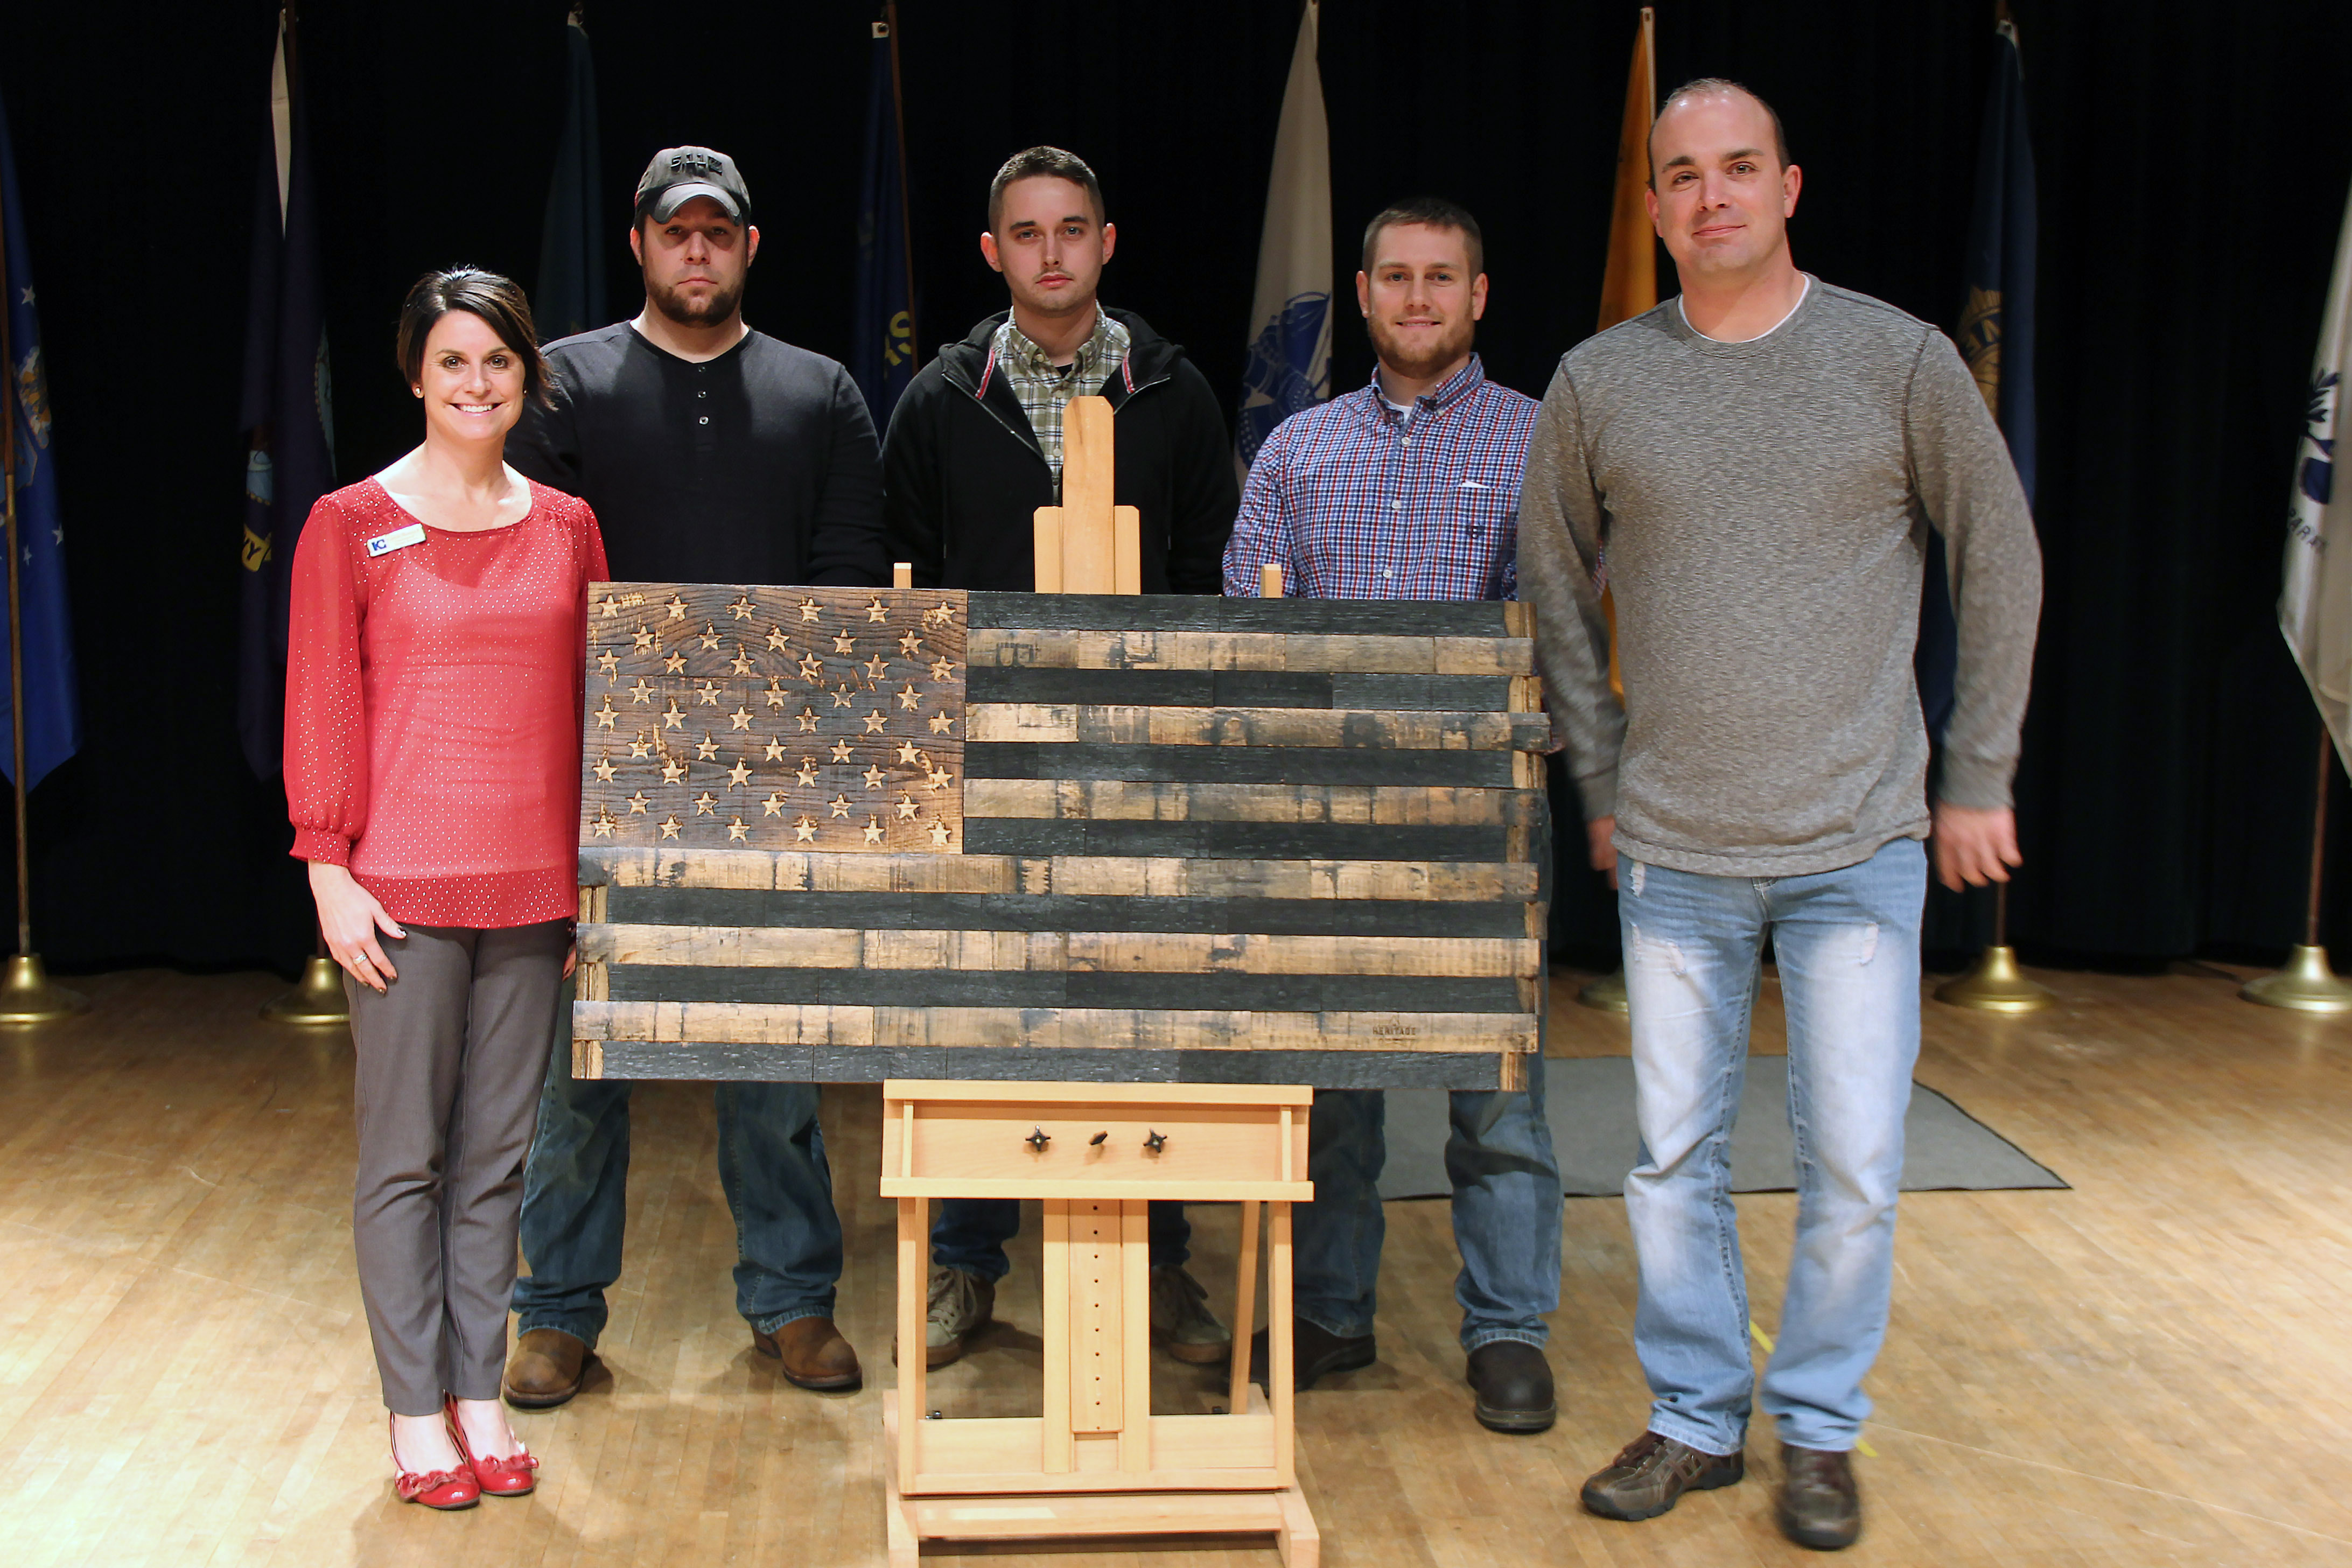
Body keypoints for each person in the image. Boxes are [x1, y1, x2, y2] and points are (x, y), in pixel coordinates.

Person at [1518, 80, 2042, 1550]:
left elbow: (1998, 559)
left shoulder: (1898, 361)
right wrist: (1607, 787)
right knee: (1670, 1158)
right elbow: (1557, 588)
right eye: (1681, 175)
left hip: (1859, 843)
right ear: (1655, 206)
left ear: (1790, 186)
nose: (1712, 197)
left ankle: (1817, 1429)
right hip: (1678, 851)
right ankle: (1696, 1417)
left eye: (1738, 169)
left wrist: (1977, 777)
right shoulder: (1599, 379)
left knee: (1857, 1160)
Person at [501, 145, 891, 1406]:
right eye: (678, 233)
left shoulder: (819, 390)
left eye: (720, 232)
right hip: (602, 774)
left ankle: (792, 1300)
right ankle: (555, 1311)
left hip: (768, 781)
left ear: (750, 249)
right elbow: (539, 580)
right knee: (580, 1068)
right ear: (641, 246)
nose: (699, 252)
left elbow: (844, 587)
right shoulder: (565, 385)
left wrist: (773, 735)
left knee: (768, 1057)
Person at [881, 145, 1239, 1367]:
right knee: (984, 1015)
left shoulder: (1173, 391)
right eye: (1026, 233)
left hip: (1142, 762)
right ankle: (968, 1267)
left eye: (1072, 230)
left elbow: (1206, 572)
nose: (1050, 252)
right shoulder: (941, 398)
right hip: (989, 758)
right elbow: (910, 580)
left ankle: (1159, 1269)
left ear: (1106, 243)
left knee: (1146, 1011)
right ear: (993, 254)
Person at [1220, 198, 1565, 1434]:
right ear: (1362, 295)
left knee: (1498, 1093)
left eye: (1443, 279)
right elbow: (1251, 637)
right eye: (1397, 278)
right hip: (1323, 820)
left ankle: (1510, 1326)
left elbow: (1558, 630)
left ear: (1479, 297)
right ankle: (1329, 1312)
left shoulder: (1541, 443)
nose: (1419, 299)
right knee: (1334, 1085)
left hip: (1483, 816)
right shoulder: (1296, 451)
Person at [286, 267, 608, 1509]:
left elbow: (595, 714)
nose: (476, 385)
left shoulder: (570, 525)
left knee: (496, 1160)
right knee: (403, 1162)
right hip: (401, 894)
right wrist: (327, 865)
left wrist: (596, 876)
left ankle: (481, 1399)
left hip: (534, 890)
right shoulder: (347, 521)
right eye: (453, 362)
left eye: (499, 363)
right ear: (416, 374)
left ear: (528, 378)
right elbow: (323, 694)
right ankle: (414, 1414)